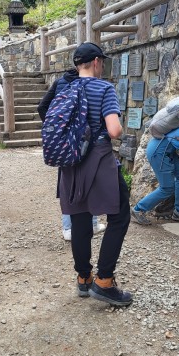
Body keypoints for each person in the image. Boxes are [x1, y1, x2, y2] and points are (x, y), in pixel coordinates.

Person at [58, 42, 132, 307]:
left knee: (79, 219)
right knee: (120, 215)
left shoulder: (65, 88)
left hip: (70, 162)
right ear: (97, 62)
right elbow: (114, 130)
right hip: (98, 159)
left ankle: (84, 278)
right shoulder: (104, 88)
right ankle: (104, 282)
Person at [37, 67, 106, 241]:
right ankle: (92, 223)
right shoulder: (90, 85)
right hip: (86, 141)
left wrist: (56, 128)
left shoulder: (60, 82)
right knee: (91, 182)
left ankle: (68, 228)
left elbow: (42, 107)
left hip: (65, 142)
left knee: (66, 184)